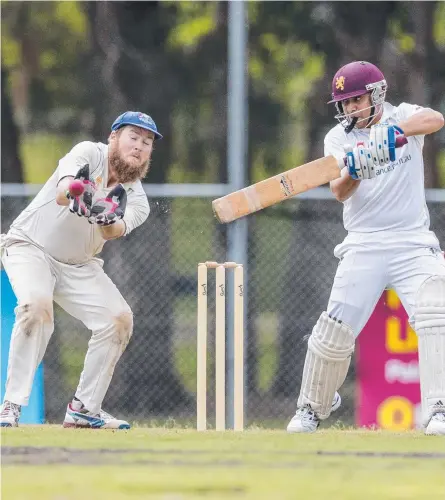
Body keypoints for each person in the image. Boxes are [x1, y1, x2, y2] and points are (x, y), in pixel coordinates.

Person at [286, 61, 445, 436]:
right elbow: (338, 191)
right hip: (364, 244)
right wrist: (356, 168)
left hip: (412, 242)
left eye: (356, 101)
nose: (349, 110)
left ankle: (439, 408)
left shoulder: (402, 115)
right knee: (335, 328)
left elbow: (436, 119)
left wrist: (390, 133)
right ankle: (312, 407)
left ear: (377, 94)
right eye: (343, 104)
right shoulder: (338, 139)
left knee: (437, 312)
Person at [0, 111, 162, 429]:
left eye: (147, 143)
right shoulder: (88, 151)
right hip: (30, 247)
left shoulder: (137, 196)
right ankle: (10, 405)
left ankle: (84, 409)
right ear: (113, 137)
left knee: (118, 320)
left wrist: (105, 217)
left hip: (79, 266)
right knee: (36, 307)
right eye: (133, 137)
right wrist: (80, 192)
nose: (140, 146)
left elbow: (114, 231)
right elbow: (64, 192)